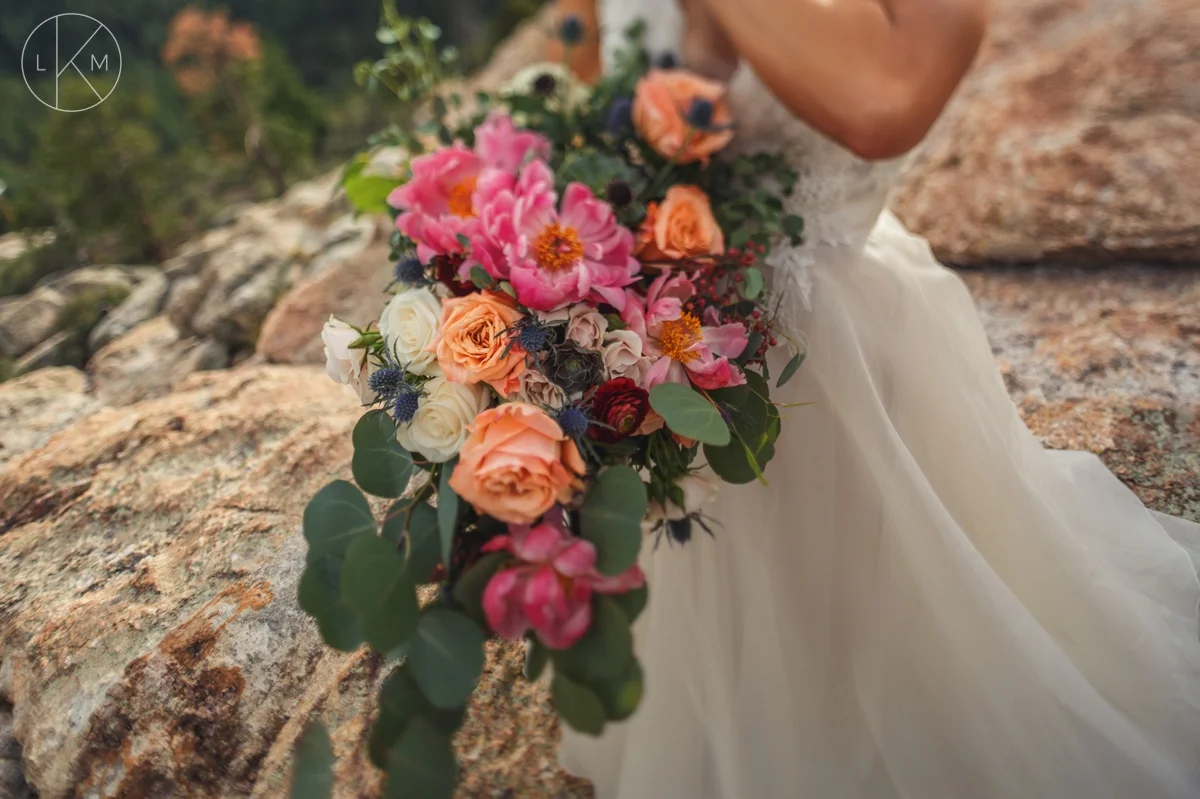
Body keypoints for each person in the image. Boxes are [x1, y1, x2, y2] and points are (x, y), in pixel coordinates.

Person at [552, 0, 1200, 797]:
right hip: (665, 365)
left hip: (829, 365)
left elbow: (881, 106)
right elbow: (585, 99)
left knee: (899, 672)